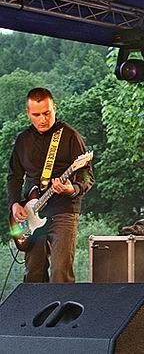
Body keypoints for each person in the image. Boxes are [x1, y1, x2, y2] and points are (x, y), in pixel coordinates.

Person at [8, 87, 94, 283]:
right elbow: (14, 176)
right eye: (36, 115)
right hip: (31, 213)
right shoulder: (23, 140)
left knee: (60, 272)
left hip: (63, 211)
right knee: (33, 273)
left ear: (54, 108)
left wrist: (72, 189)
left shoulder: (70, 136)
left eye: (47, 113)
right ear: (28, 113)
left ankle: (62, 305)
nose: (42, 119)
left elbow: (87, 175)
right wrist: (14, 204)